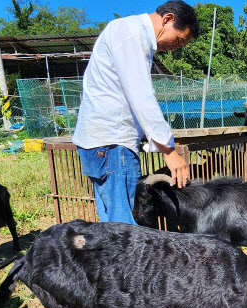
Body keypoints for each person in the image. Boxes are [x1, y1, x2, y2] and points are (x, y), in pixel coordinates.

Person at [72, 1, 199, 223]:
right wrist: (169, 151)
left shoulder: (126, 32)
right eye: (178, 40)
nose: (175, 48)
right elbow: (141, 96)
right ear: (168, 19)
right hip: (111, 144)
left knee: (112, 220)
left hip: (101, 141)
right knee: (123, 225)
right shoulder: (132, 35)